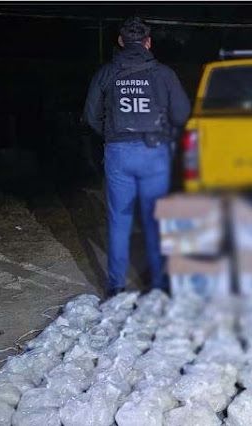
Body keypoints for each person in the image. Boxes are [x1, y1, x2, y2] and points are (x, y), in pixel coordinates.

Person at [84, 17, 191, 297]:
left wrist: (112, 135)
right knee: (155, 220)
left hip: (119, 154)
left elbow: (91, 116)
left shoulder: (107, 73)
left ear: (121, 41)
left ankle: (115, 287)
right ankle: (159, 285)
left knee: (119, 220)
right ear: (148, 42)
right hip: (155, 153)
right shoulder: (164, 74)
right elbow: (182, 114)